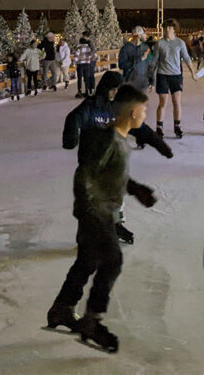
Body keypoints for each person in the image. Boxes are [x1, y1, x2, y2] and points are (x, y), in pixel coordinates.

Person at [47, 85, 158, 352]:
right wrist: (87, 210)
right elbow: (85, 173)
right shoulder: (108, 140)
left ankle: (62, 308)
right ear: (133, 112)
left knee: (87, 260)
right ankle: (91, 321)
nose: (145, 114)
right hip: (96, 212)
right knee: (113, 260)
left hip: (101, 209)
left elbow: (111, 174)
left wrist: (135, 189)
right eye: (144, 110)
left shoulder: (121, 139)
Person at [63, 71, 173, 245]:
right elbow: (73, 119)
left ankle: (117, 225)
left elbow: (139, 127)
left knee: (115, 195)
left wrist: (158, 143)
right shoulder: (91, 106)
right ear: (105, 89)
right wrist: (70, 139)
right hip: (90, 164)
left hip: (112, 165)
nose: (115, 93)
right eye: (112, 90)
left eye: (117, 90)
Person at [146, 18, 196, 139]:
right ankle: (159, 128)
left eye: (169, 28)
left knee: (176, 102)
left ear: (174, 30)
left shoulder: (180, 43)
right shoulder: (160, 43)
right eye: (165, 28)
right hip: (163, 75)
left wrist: (193, 73)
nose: (167, 30)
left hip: (176, 76)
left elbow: (187, 58)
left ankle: (177, 126)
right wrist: (150, 78)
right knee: (163, 102)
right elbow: (154, 60)